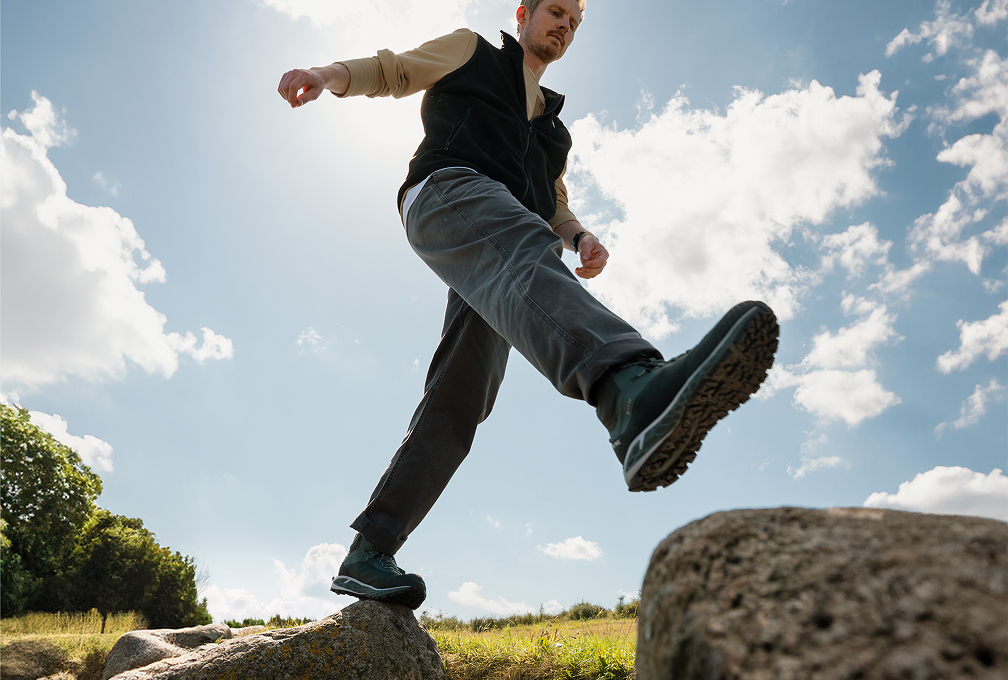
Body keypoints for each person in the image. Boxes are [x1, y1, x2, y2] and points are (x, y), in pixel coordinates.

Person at [277, 0, 778, 610]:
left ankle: (369, 552)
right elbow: (394, 69)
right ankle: (628, 392)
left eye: (574, 22)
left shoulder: (554, 129)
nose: (564, 25)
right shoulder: (471, 51)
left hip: (499, 247)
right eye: (556, 11)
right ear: (524, 13)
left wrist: (580, 235)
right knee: (524, 245)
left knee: (463, 396)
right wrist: (326, 75)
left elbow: (553, 200)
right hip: (447, 194)